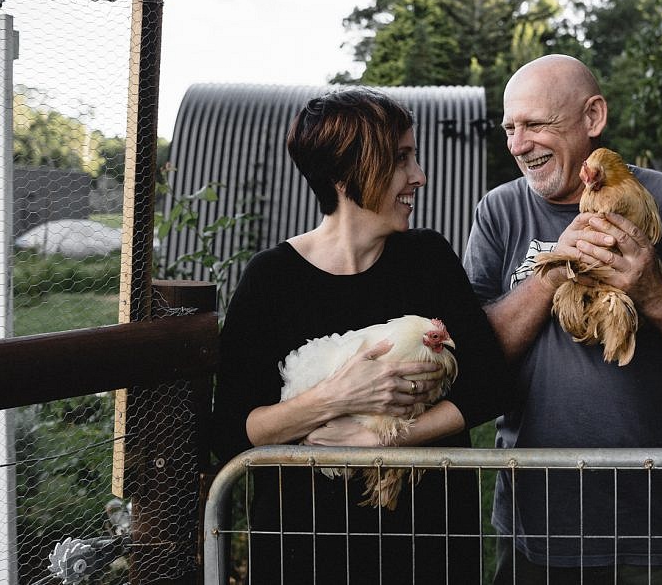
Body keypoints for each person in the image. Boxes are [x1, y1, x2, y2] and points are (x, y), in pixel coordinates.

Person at [462, 54, 662, 584]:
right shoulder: (498, 213)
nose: (516, 144)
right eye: (510, 128)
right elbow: (471, 361)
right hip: (542, 525)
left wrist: (658, 296)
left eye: (535, 124)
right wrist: (552, 273)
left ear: (593, 117)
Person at [212, 87, 509, 584]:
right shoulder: (273, 279)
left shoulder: (428, 259)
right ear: (346, 173)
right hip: (307, 549)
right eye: (400, 160)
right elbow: (231, 432)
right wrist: (335, 397)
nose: (420, 176)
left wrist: (381, 439)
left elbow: (492, 382)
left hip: (426, 544)